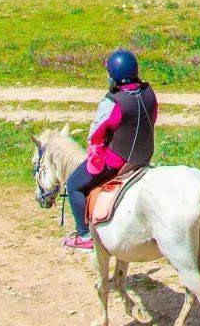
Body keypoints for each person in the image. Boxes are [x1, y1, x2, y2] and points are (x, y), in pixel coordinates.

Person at [63, 49, 159, 250]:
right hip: (145, 155)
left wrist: (97, 152)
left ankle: (84, 234)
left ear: (113, 75)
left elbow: (96, 135)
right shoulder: (149, 93)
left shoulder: (112, 102)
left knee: (73, 185)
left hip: (118, 159)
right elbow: (152, 118)